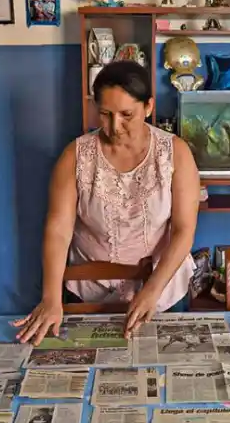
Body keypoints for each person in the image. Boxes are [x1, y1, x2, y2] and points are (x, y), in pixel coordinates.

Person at [17, 61, 200, 344]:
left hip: (162, 290)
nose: (115, 127)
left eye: (127, 114)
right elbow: (58, 230)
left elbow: (183, 230)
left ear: (148, 107)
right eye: (105, 114)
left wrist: (152, 290)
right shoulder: (75, 156)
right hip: (90, 291)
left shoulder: (175, 153)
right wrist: (51, 298)